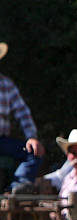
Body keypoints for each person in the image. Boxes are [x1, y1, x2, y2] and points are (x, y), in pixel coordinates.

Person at [0, 41, 45, 193]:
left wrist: (32, 137)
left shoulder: (6, 84)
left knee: (34, 152)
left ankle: (17, 188)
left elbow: (23, 113)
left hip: (2, 141)